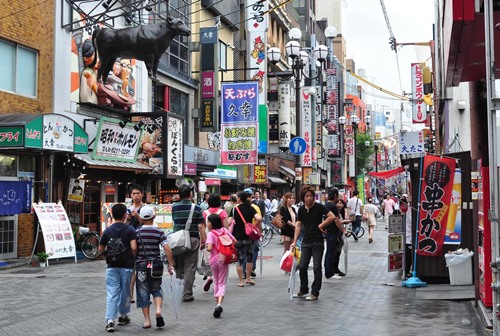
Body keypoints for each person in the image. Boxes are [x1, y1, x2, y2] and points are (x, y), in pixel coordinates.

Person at [291, 185, 336, 301]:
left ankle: (315, 292)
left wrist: (322, 225)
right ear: (303, 197)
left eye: (311, 196)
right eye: (307, 196)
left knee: (317, 267)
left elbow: (332, 217)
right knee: (302, 266)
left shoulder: (319, 207)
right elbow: (298, 225)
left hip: (318, 241)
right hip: (306, 241)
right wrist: (294, 241)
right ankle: (303, 289)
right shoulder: (301, 209)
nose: (310, 198)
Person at [98, 203, 137, 332]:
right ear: (125, 215)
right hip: (126, 266)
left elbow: (100, 248)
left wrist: (106, 256)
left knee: (112, 292)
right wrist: (133, 257)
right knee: (125, 291)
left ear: (113, 215)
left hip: (111, 266)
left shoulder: (107, 230)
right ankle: (123, 315)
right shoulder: (130, 230)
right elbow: (134, 247)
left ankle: (110, 320)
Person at [135, 206, 174, 329]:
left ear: (141, 218)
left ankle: (147, 320)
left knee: (143, 293)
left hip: (141, 266)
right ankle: (158, 310)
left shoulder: (137, 232)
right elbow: (167, 249)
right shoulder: (159, 232)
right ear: (154, 217)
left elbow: (134, 248)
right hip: (156, 266)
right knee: (156, 289)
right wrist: (171, 265)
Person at [171, 184, 206, 302]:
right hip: (193, 239)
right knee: (190, 267)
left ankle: (179, 291)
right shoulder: (196, 208)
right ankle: (187, 294)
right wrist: (204, 240)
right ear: (190, 194)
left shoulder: (174, 207)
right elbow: (201, 226)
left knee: (179, 266)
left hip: (178, 240)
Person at [205, 213, 237, 318]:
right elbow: (234, 241)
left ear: (212, 223)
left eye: (208, 222)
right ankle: (219, 304)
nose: (207, 223)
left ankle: (216, 304)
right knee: (222, 282)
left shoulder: (210, 234)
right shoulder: (224, 231)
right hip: (224, 260)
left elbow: (209, 248)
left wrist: (206, 246)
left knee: (216, 281)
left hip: (214, 260)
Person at [228, 190, 261, 287]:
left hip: (237, 237)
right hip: (249, 236)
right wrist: (254, 226)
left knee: (239, 259)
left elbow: (229, 222)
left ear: (239, 198)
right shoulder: (250, 208)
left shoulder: (234, 209)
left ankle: (241, 281)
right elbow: (258, 218)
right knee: (249, 257)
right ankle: (248, 278)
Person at [202, 194, 228, 292]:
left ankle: (210, 278)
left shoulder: (205, 212)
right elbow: (226, 228)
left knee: (211, 262)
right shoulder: (222, 212)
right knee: (222, 263)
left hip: (209, 240)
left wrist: (202, 241)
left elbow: (202, 227)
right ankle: (220, 286)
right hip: (221, 242)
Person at [126, 184, 145, 303]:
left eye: (138, 193)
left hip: (142, 240)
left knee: (142, 269)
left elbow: (147, 223)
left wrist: (137, 216)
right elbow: (124, 224)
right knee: (132, 269)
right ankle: (131, 295)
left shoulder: (145, 208)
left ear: (142, 194)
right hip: (131, 241)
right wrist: (128, 218)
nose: (136, 196)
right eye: (134, 194)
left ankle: (143, 294)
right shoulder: (129, 209)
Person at [323, 188, 348, 279]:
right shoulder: (332, 206)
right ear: (335, 196)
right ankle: (329, 272)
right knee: (331, 252)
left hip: (329, 231)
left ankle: (333, 269)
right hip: (332, 232)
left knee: (331, 251)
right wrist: (343, 230)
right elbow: (337, 220)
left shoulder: (326, 205)